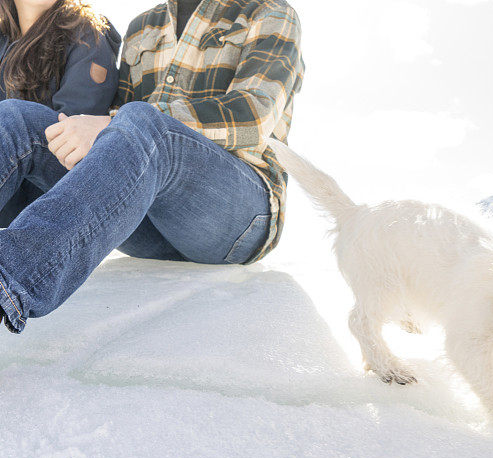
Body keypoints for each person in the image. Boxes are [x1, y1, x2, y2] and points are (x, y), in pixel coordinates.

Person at [0, 0, 304, 333]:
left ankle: (8, 282)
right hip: (148, 215)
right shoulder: (144, 26)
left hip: (238, 215)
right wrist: (102, 127)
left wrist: (113, 122)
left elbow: (253, 116)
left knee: (142, 120)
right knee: (16, 118)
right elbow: (118, 135)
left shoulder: (270, 13)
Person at [0, 0, 120, 228]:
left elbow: (72, 134)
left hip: (54, 183)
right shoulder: (3, 39)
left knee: (12, 117)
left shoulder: (87, 33)